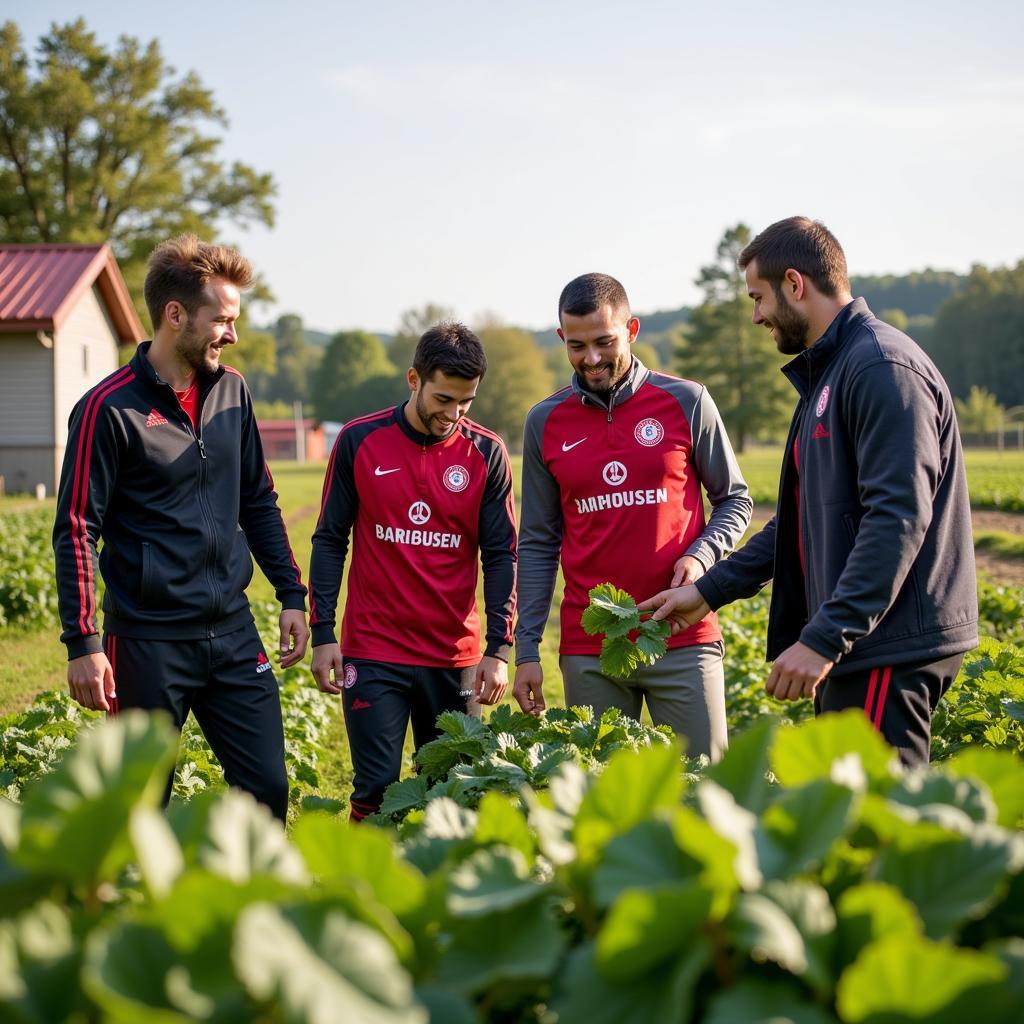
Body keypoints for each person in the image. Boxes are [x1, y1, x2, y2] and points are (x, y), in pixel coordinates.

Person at [640, 216, 978, 767]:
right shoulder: (831, 373)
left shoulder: (881, 368)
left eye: (758, 297)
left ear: (795, 284)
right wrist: (708, 591)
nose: (755, 316)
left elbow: (896, 519)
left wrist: (824, 637)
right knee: (852, 818)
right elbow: (800, 519)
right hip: (861, 642)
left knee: (878, 823)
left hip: (885, 643)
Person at [53, 234, 309, 822]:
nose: (232, 334)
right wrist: (84, 643)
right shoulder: (107, 408)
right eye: (222, 320)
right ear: (175, 316)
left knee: (267, 792)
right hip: (146, 641)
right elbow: (75, 527)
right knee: (139, 810)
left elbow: (259, 500)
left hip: (233, 632)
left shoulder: (232, 391)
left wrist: (291, 595)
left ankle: (249, 908)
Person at [512, 273, 752, 760]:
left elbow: (736, 499)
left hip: (681, 632)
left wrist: (702, 557)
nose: (591, 359)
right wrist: (527, 648)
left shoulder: (686, 401)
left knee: (704, 793)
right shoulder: (544, 422)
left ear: (632, 330)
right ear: (562, 338)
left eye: (605, 341)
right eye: (577, 346)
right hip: (591, 646)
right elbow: (537, 542)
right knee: (607, 803)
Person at [308, 322, 517, 821]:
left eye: (466, 402)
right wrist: (322, 633)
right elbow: (330, 539)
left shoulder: (487, 453)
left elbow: (502, 555)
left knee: (454, 792)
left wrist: (500, 648)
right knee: (375, 791)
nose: (454, 414)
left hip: (454, 655)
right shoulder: (360, 441)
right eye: (444, 398)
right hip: (373, 649)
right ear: (413, 379)